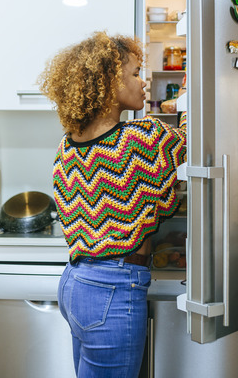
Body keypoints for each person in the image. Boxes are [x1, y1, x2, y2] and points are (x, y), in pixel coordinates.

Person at [38, 31, 186, 378]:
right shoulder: (139, 140)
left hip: (76, 283)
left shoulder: (67, 146)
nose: (144, 82)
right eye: (135, 74)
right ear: (108, 83)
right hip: (114, 289)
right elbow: (195, 140)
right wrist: (186, 97)